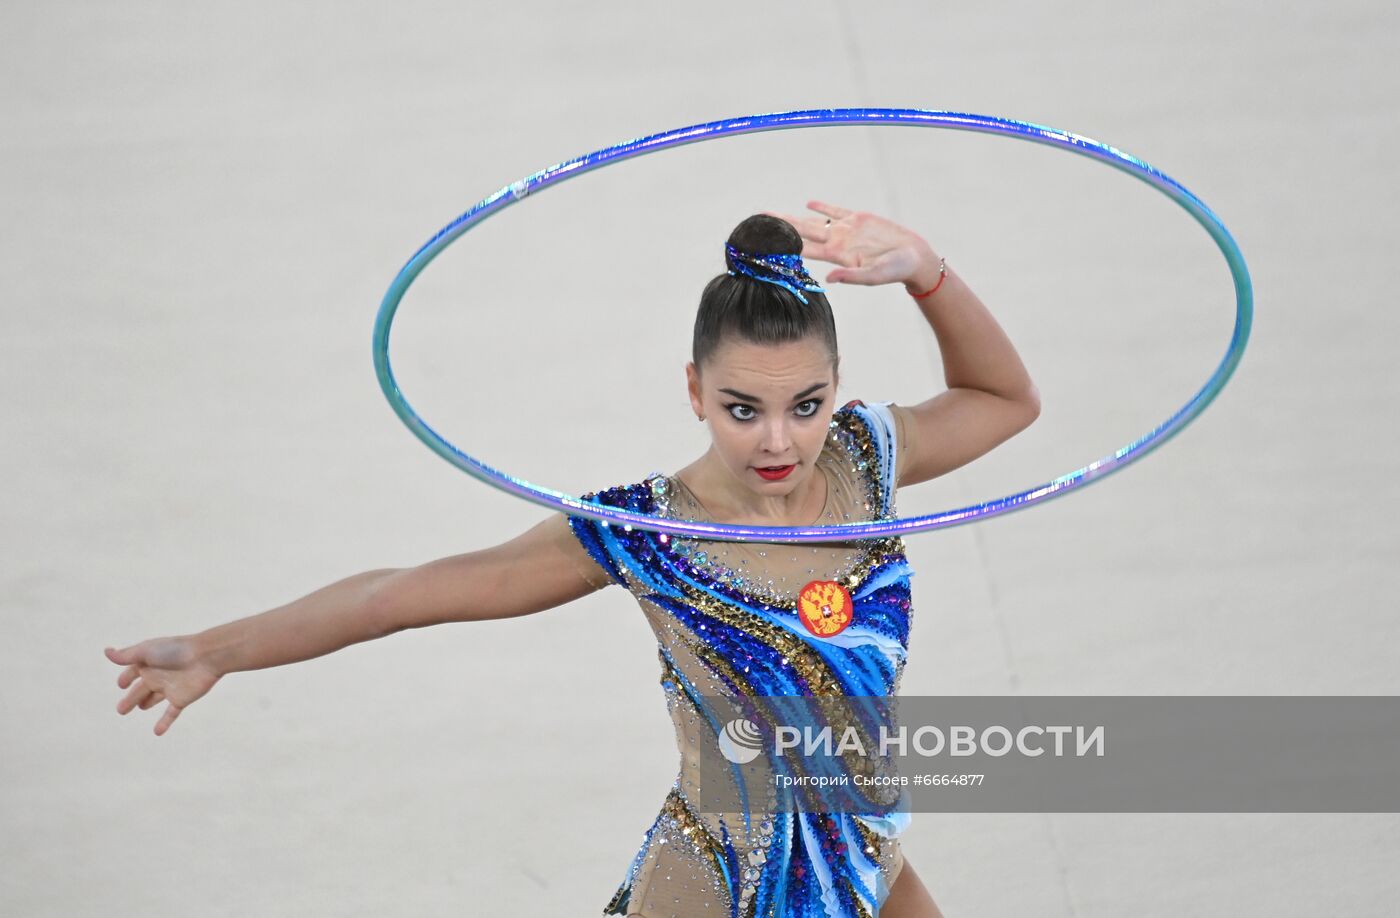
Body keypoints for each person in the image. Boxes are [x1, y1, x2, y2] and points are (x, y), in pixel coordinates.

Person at [105, 201, 1040, 917]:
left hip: (865, 862)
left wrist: (928, 272)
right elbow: (403, 596)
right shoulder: (647, 532)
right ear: (694, 391)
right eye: (741, 408)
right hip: (720, 883)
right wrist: (219, 650)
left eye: (806, 403)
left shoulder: (867, 458)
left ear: (836, 390)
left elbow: (1005, 398)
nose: (778, 443)